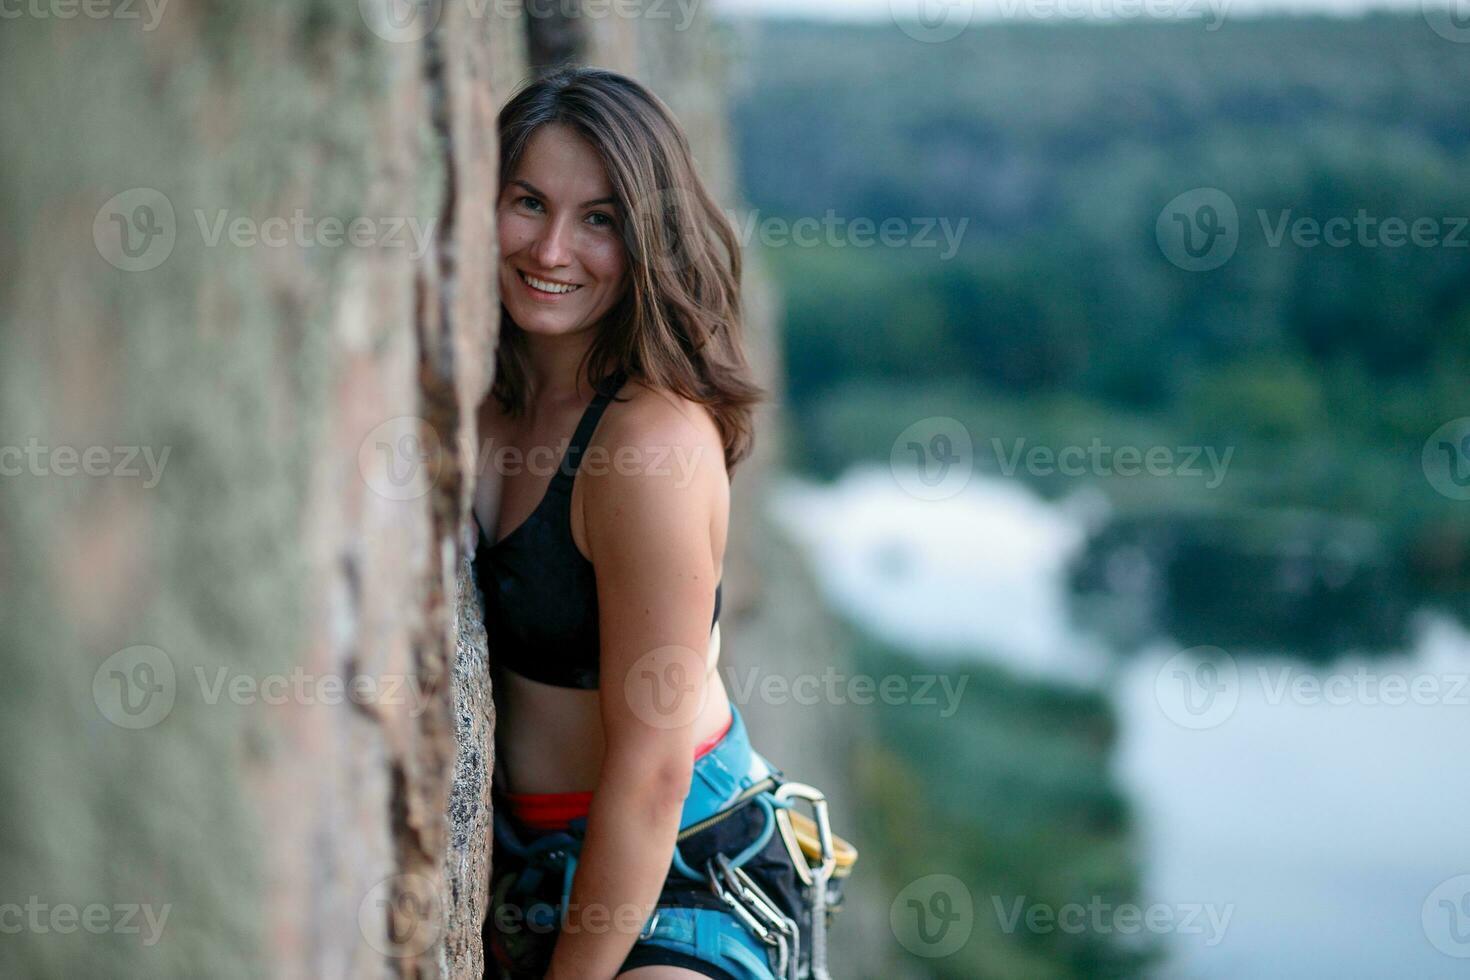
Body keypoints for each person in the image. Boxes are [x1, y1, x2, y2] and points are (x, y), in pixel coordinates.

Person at [474, 66, 850, 980]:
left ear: (646, 240)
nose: (553, 249)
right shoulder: (485, 390)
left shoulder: (649, 447)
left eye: (599, 220)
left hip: (681, 873)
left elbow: (651, 774)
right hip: (530, 867)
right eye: (529, 202)